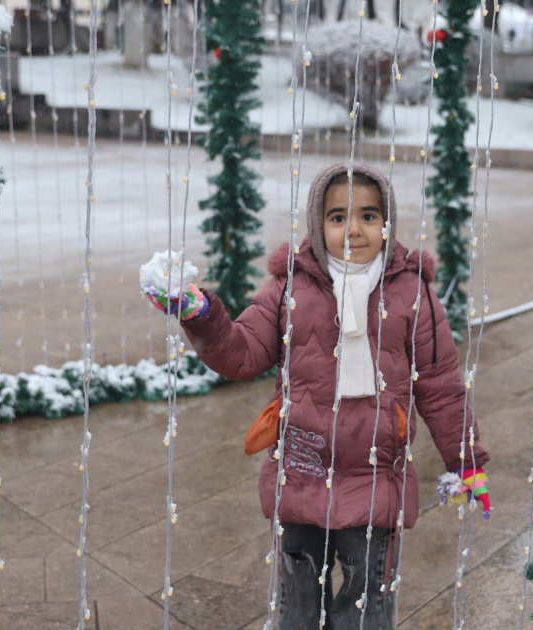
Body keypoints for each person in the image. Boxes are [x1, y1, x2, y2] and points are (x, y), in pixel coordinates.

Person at [143, 162, 490, 630]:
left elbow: (441, 385)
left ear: (386, 223)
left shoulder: (411, 292)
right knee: (299, 608)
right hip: (301, 472)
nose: (354, 230)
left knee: (366, 609)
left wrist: (466, 460)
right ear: (316, 223)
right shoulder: (290, 287)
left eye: (368, 216)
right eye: (337, 217)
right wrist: (201, 315)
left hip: (375, 481)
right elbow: (241, 354)